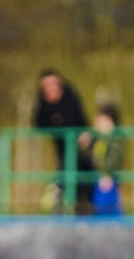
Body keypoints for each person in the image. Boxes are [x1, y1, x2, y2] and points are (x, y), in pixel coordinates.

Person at [33, 69, 93, 213]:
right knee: (66, 171)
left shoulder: (70, 97)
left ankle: (73, 199)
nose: (50, 89)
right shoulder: (43, 102)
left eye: (53, 84)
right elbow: (38, 123)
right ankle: (59, 197)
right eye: (46, 86)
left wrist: (83, 134)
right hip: (61, 147)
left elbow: (80, 119)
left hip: (79, 147)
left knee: (81, 174)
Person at [86, 103, 125, 216]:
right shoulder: (101, 138)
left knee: (107, 207)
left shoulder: (115, 138)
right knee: (101, 207)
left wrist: (108, 174)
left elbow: (115, 158)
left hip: (108, 178)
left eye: (101, 119)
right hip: (100, 176)